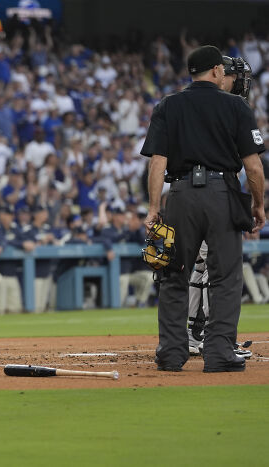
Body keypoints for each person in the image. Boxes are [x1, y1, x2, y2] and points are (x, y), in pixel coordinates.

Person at [141, 45, 266, 373]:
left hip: (180, 194)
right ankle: (220, 352)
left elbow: (158, 161)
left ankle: (170, 353)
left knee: (172, 275)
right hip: (221, 193)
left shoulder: (168, 105)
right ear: (214, 70)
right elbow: (253, 167)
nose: (224, 74)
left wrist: (154, 207)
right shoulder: (235, 105)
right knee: (225, 276)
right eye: (221, 70)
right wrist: (258, 204)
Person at [187, 55, 256, 359]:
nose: (242, 83)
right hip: (207, 190)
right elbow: (251, 165)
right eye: (237, 77)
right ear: (220, 74)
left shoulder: (199, 104)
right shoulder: (226, 107)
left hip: (188, 191)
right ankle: (201, 333)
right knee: (212, 267)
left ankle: (196, 332)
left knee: (202, 264)